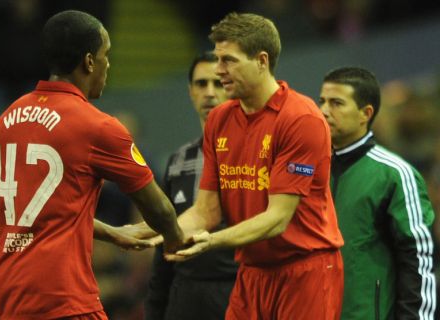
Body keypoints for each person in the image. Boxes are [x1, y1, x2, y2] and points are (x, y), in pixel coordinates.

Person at [131, 12, 344, 319]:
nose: (219, 72)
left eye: (228, 60)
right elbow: (207, 211)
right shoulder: (219, 119)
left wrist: (211, 240)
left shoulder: (302, 119)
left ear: (261, 60)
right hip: (251, 273)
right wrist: (154, 232)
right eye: (218, 60)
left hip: (304, 271)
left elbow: (277, 219)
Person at [0, 10, 185, 320]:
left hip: (10, 290)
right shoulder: (97, 126)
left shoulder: (8, 119)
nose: (109, 64)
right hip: (63, 296)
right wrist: (178, 242)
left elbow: (46, 209)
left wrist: (112, 233)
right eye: (106, 54)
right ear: (90, 61)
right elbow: (159, 209)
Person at [318, 67, 436, 320]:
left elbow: (418, 260)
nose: (324, 111)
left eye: (336, 103)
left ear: (365, 113)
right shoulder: (310, 170)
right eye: (322, 101)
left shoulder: (394, 174)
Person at [144, 52, 238, 320]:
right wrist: (154, 308)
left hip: (236, 290)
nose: (209, 93)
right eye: (201, 84)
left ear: (233, 89)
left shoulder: (252, 154)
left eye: (218, 84)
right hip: (185, 295)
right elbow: (166, 238)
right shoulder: (178, 161)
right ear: (190, 91)